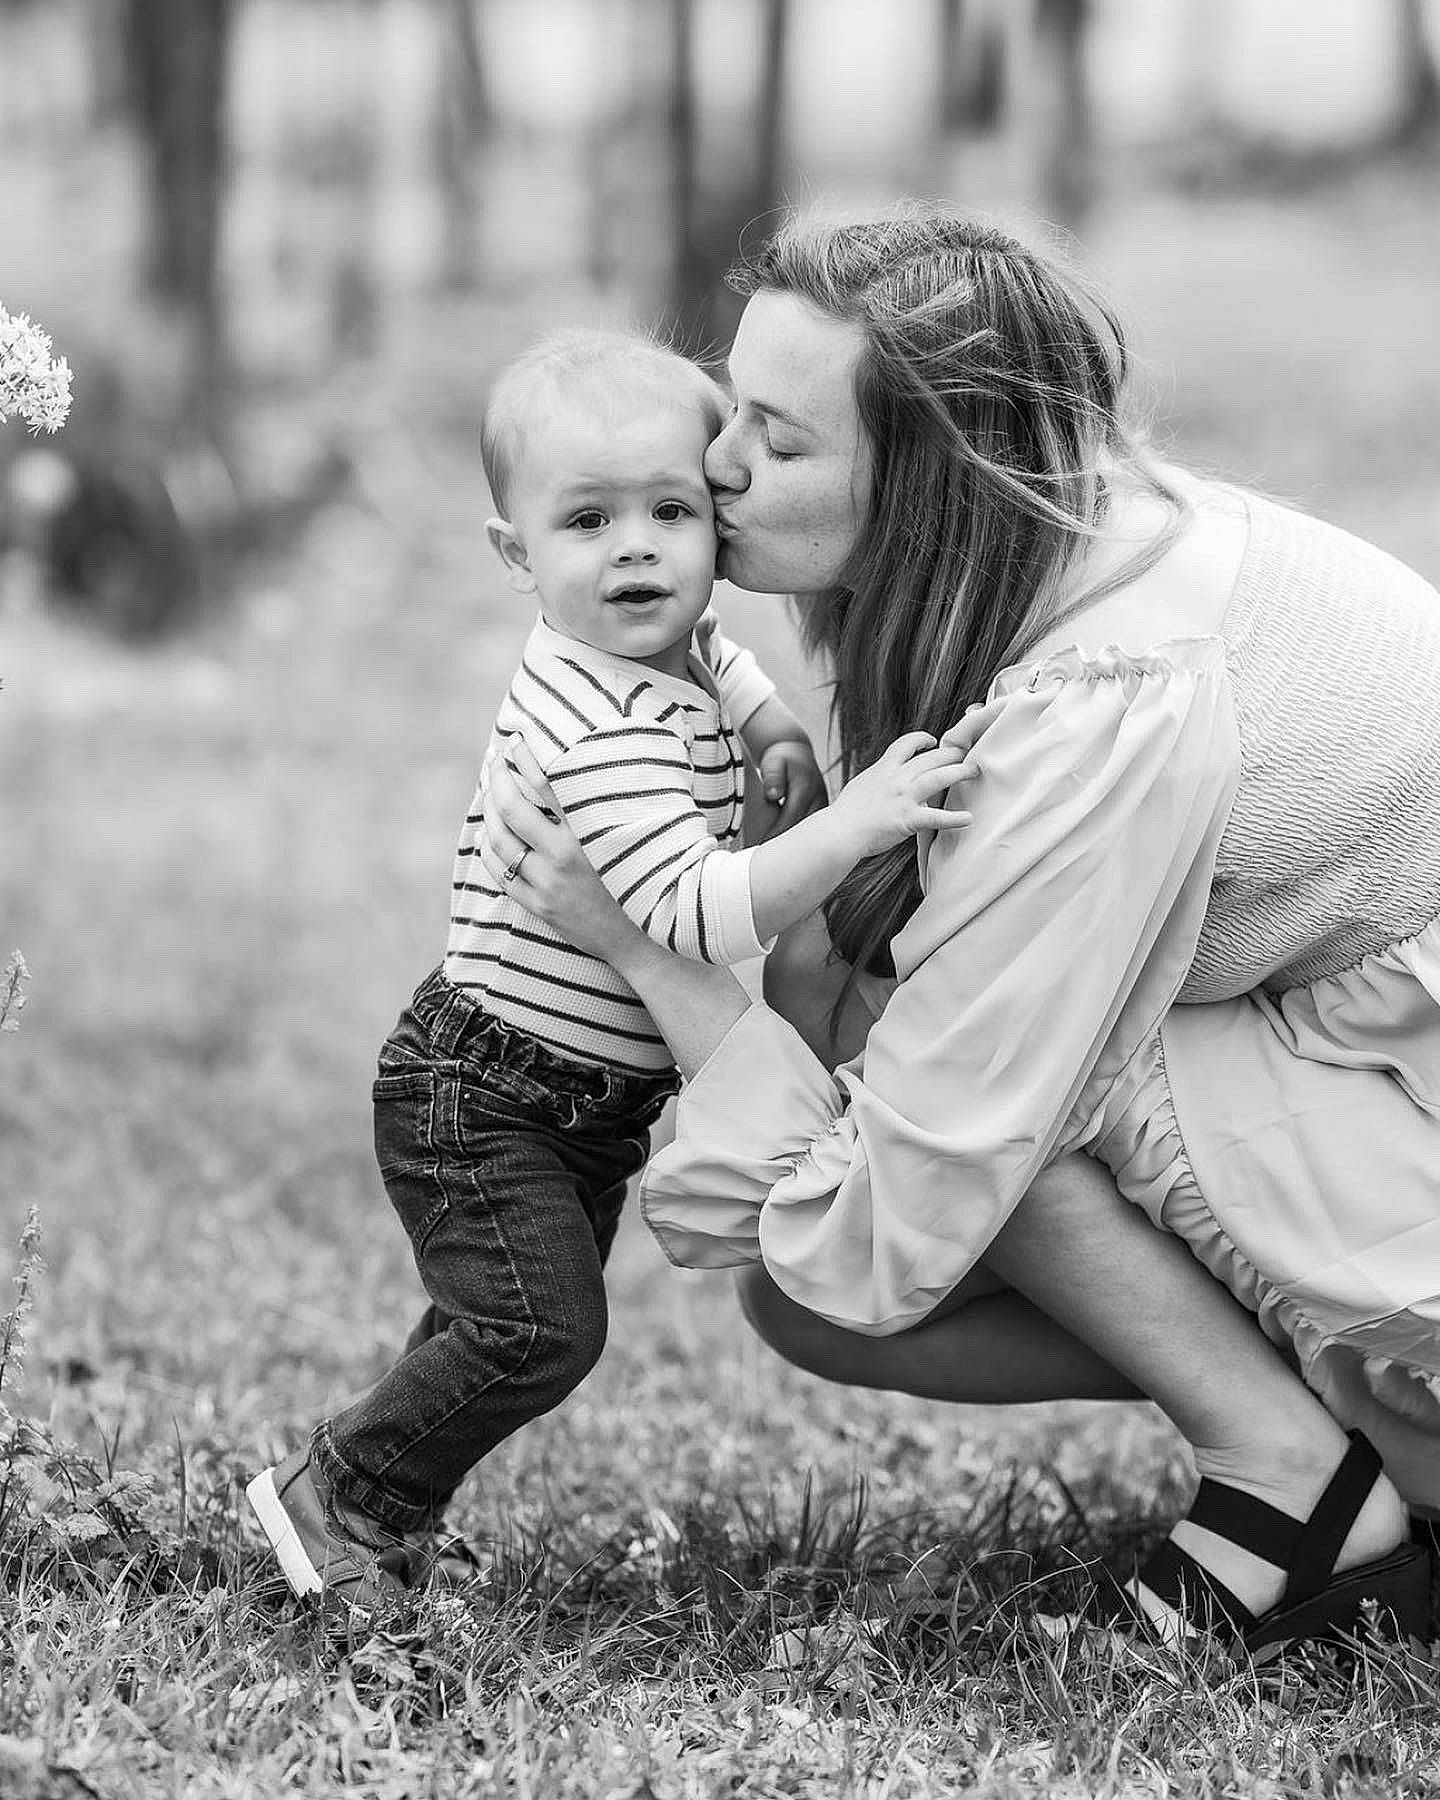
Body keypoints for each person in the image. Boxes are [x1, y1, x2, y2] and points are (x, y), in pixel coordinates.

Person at [477, 210, 1440, 1656]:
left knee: (859, 1202)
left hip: (1394, 1124)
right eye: (733, 406)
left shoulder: (1103, 702)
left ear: (930, 484)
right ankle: (1314, 1430)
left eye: (781, 443)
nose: (716, 467)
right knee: (870, 1024)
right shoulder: (1058, 547)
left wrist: (646, 958)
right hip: (1346, 1073)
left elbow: (870, 1225)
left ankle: (1305, 1476)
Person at [246, 327, 973, 1620]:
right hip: (488, 1093)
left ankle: (387, 1509)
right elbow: (695, 912)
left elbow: (721, 663)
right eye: (588, 520)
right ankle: (340, 1494)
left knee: (505, 1319)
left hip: (581, 1103)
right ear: (516, 555)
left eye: (671, 511)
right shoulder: (595, 725)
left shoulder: (662, 653)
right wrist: (850, 826)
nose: (637, 547)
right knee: (537, 1332)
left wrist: (767, 726)